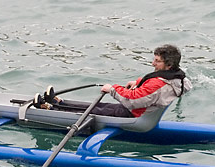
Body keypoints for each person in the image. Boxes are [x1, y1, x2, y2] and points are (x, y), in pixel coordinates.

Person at [39, 44, 191, 118]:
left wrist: (112, 89)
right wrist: (138, 82)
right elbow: (156, 90)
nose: (153, 63)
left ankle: (50, 110)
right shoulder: (180, 78)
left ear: (169, 65)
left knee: (94, 112)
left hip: (133, 115)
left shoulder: (157, 84)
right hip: (144, 112)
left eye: (157, 61)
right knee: (99, 107)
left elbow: (132, 100)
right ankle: (60, 102)